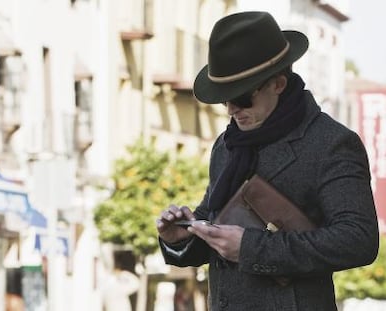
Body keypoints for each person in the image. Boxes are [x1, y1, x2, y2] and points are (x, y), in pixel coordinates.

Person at [156, 11, 379, 311]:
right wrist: (183, 236)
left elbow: (358, 240)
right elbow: (219, 229)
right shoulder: (226, 145)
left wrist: (252, 249)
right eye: (224, 98)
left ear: (278, 83)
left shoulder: (331, 143)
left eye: (242, 96)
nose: (232, 108)